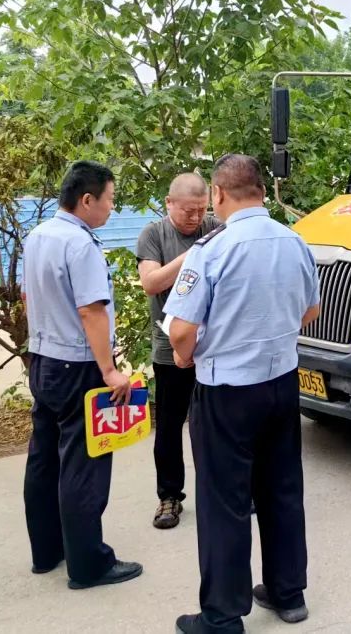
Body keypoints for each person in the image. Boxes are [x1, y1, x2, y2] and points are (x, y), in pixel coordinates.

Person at [164, 154, 321, 634]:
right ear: (258, 190)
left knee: (224, 501)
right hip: (280, 384)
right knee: (281, 489)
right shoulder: (294, 241)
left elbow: (180, 330)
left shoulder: (211, 249)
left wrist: (185, 355)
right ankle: (287, 593)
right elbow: (311, 312)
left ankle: (222, 615)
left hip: (227, 392)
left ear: (218, 194)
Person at [21, 160, 143, 591]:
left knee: (45, 457)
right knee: (84, 463)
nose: (111, 209)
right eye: (109, 200)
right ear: (87, 200)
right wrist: (109, 370)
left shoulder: (37, 237)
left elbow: (26, 296)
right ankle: (88, 564)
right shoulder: (80, 245)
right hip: (78, 365)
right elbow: (91, 309)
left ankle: (47, 551)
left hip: (43, 359)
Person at [135, 171, 221, 530]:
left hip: (211, 347)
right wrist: (193, 256)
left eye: (201, 210)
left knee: (216, 425)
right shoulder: (153, 234)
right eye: (188, 210)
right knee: (170, 427)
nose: (196, 218)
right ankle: (169, 497)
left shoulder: (216, 227)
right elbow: (151, 282)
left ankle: (221, 492)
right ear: (169, 203)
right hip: (170, 350)